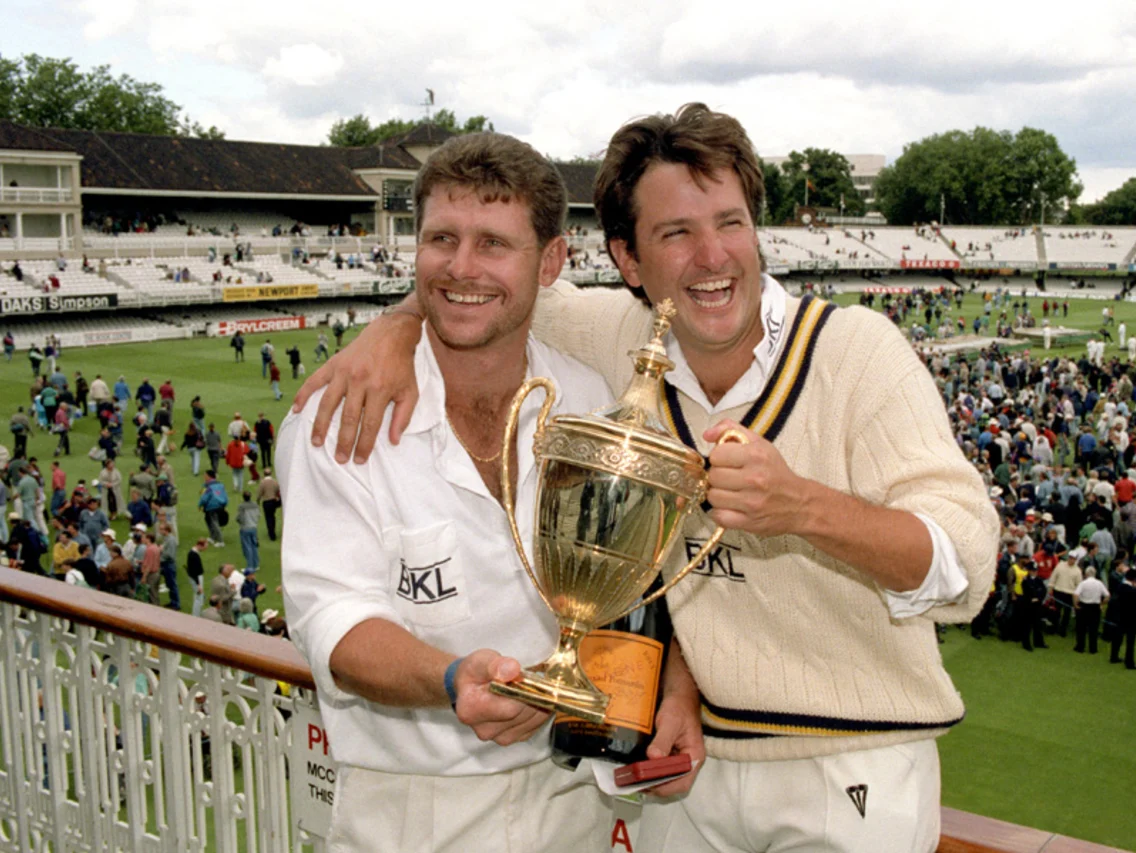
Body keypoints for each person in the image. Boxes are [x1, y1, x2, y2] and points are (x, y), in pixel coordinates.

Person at [293, 105, 999, 852]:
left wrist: (805, 506)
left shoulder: (858, 351)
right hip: (683, 776)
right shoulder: (618, 338)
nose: (713, 255)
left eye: (730, 223)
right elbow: (480, 283)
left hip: (848, 766)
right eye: (676, 234)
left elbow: (963, 567)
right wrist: (395, 328)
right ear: (629, 261)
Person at [280, 132, 623, 851]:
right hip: (407, 811)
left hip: (572, 802)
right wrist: (450, 678)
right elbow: (334, 621)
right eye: (442, 238)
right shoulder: (340, 414)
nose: (461, 267)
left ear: (552, 260)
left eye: (493, 243)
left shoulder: (589, 400)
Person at [1109, 570, 1136, 669]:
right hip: (1131, 618)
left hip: (1120, 616)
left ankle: (1114, 656)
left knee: (1117, 638)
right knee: (1130, 642)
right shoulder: (1133, 590)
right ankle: (1129, 662)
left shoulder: (1120, 587)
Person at [1073, 566, 1109, 654]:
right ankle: (1093, 649)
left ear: (1086, 574)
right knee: (1094, 629)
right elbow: (1107, 595)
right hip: (1095, 607)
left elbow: (1076, 594)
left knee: (1081, 628)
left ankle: (1080, 647)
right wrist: (1102, 604)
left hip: (1084, 606)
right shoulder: (1099, 583)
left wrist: (1075, 604)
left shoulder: (1083, 583)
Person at [197, 471, 228, 547]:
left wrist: (199, 505)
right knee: (208, 519)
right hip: (220, 506)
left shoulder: (209, 487)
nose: (204, 477)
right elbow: (225, 496)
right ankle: (212, 537)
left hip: (211, 507)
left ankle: (221, 541)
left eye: (205, 475)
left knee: (214, 523)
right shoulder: (220, 485)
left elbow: (204, 498)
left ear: (210, 476)